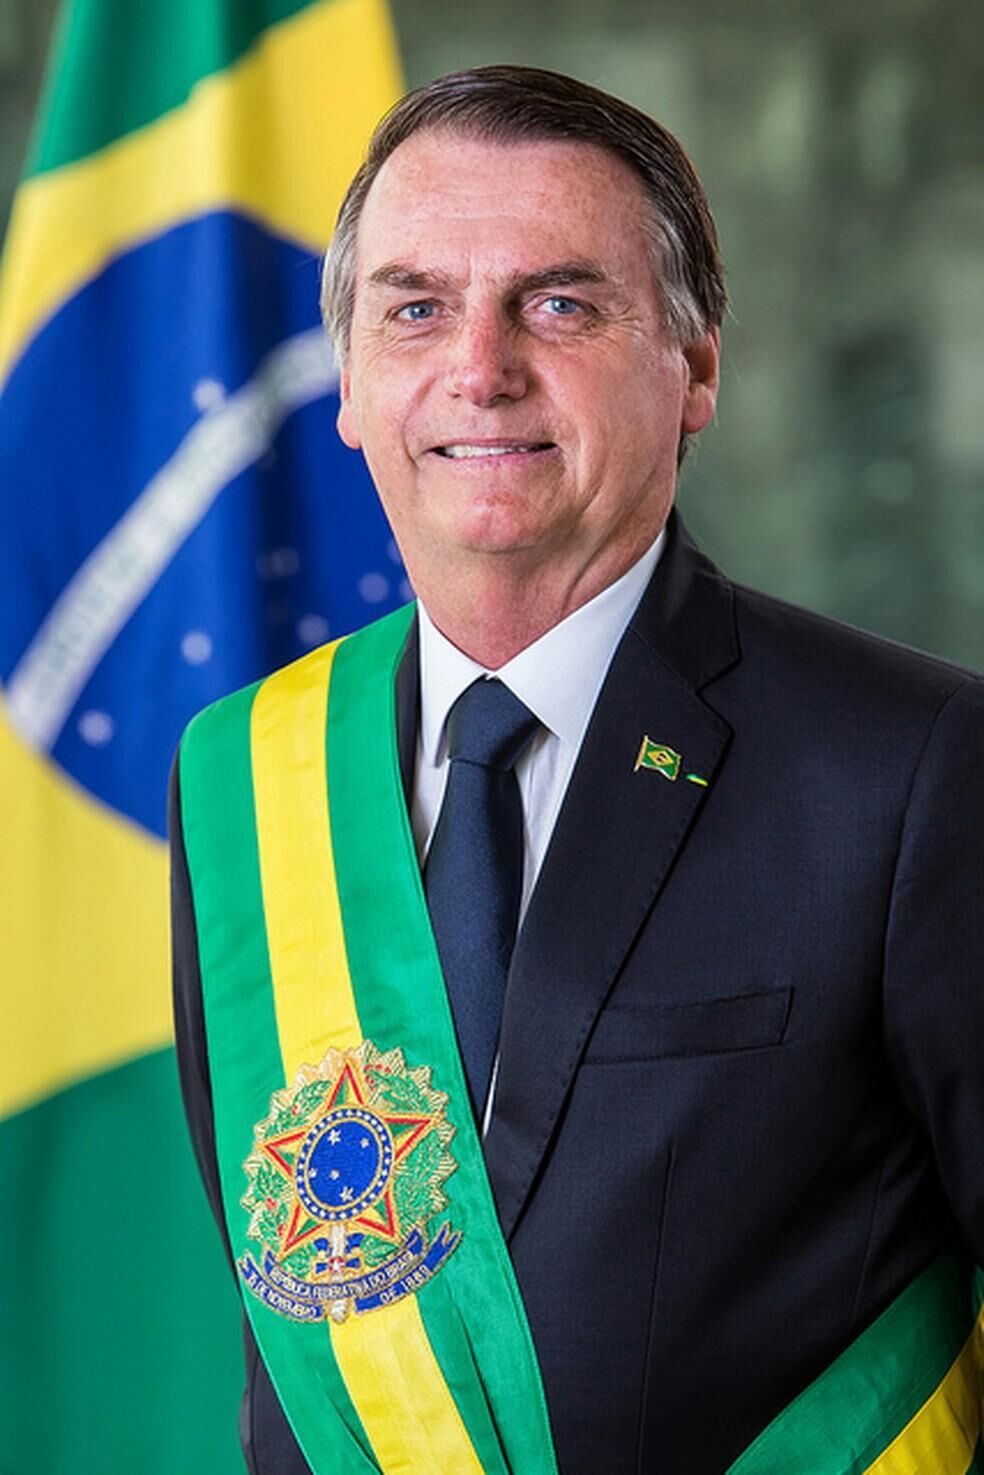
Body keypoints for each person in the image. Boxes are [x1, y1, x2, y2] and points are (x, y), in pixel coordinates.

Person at [171, 65, 984, 1475]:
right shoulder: (241, 774)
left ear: (696, 368)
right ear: (351, 383)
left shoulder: (913, 768)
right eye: (415, 309)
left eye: (557, 304)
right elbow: (301, 1326)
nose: (479, 369)